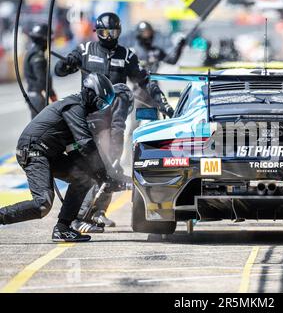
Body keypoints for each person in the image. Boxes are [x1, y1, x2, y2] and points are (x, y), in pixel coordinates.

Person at [0, 73, 125, 242]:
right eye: (100, 103)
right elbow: (87, 145)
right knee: (43, 204)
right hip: (34, 151)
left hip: (48, 153)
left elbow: (77, 153)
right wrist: (103, 175)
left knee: (83, 179)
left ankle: (63, 229)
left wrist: (100, 177)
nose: (100, 108)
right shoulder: (74, 107)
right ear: (90, 93)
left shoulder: (78, 112)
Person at [54, 12, 148, 231]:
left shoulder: (126, 55)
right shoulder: (85, 50)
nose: (108, 36)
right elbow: (59, 71)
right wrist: (68, 63)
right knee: (91, 167)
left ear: (119, 32)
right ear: (97, 32)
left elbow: (140, 80)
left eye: (113, 32)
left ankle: (98, 212)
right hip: (89, 121)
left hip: (115, 124)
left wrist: (146, 77)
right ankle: (79, 215)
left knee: (111, 167)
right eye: (104, 32)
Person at [130, 21, 187, 118]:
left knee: (154, 122)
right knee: (135, 124)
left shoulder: (156, 51)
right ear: (139, 35)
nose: (147, 36)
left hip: (154, 91)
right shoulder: (133, 52)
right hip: (138, 92)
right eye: (144, 33)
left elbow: (172, 60)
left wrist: (179, 47)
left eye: (149, 33)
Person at [24, 23, 57, 119]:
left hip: (34, 95)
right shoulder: (38, 56)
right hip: (38, 96)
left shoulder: (31, 51)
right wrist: (52, 95)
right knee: (42, 127)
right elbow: (43, 80)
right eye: (49, 39)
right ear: (44, 39)